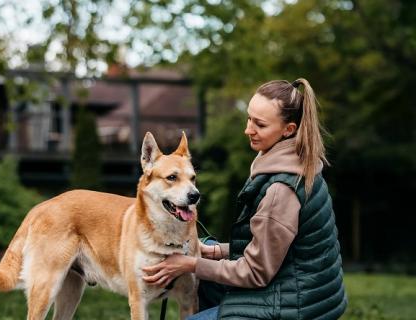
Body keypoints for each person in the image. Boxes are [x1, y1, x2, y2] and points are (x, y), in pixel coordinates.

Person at [143, 78, 348, 319]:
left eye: (259, 124)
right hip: (309, 292)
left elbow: (256, 272)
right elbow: (277, 248)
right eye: (249, 118)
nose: (248, 129)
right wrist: (217, 251)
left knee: (199, 272)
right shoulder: (298, 163)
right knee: (206, 252)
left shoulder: (281, 190)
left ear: (288, 130)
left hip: (296, 308)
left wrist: (190, 264)